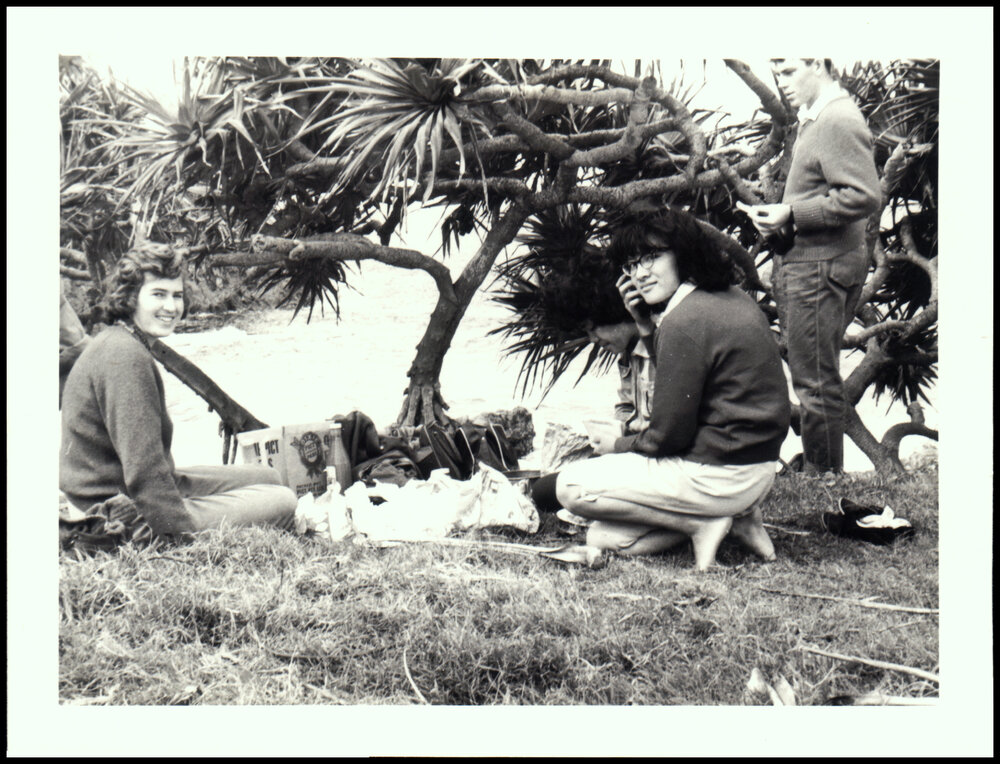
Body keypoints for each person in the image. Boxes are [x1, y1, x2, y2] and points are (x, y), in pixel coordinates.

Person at [540, 210, 791, 570]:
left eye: (652, 257)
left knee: (570, 487)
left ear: (684, 252)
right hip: (756, 471)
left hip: (716, 474)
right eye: (631, 264)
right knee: (604, 537)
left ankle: (702, 522)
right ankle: (733, 519)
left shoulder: (684, 320)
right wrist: (644, 325)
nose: (640, 272)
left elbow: (668, 437)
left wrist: (617, 447)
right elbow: (687, 381)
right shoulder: (730, 297)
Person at [59, 243, 297, 545]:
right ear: (130, 297)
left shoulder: (121, 340)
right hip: (115, 512)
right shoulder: (125, 357)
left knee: (268, 478)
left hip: (121, 490)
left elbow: (147, 467)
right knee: (283, 500)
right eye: (158, 295)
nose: (171, 307)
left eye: (177, 295)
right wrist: (179, 536)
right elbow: (144, 473)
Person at [742, 58, 881, 473]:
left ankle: (823, 482)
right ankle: (822, 472)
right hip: (817, 262)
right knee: (817, 377)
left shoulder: (836, 118)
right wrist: (783, 215)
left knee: (814, 383)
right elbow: (828, 189)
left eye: (787, 70)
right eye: (776, 72)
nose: (780, 82)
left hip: (819, 268)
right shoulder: (818, 117)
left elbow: (863, 195)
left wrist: (792, 214)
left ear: (819, 63)